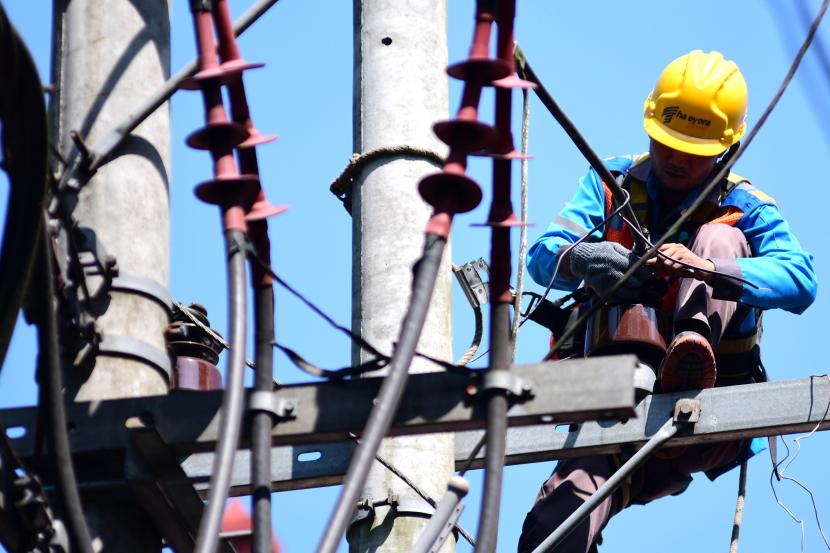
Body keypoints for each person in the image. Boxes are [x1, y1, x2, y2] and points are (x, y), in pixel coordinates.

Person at [518, 50, 817, 552]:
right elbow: (543, 255)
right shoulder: (611, 183)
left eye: (694, 151)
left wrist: (706, 269)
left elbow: (800, 280)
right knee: (558, 519)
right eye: (668, 143)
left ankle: (691, 346)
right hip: (613, 408)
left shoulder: (745, 206)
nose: (676, 158)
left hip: (709, 400)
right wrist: (587, 259)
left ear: (727, 150)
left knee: (720, 241)